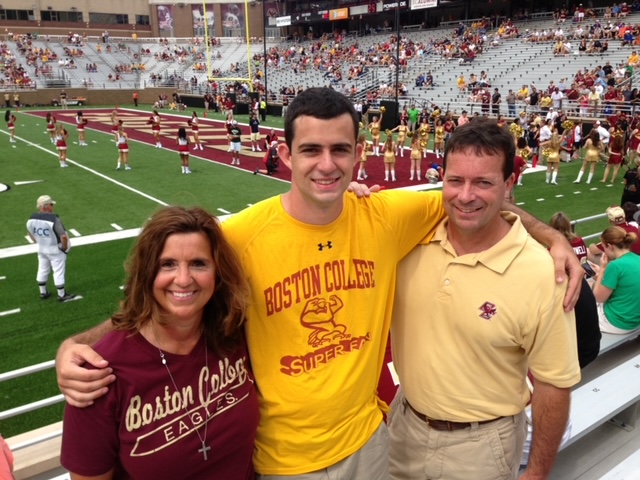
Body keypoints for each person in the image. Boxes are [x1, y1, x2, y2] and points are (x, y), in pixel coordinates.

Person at [55, 88, 582, 479]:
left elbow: (476, 203)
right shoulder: (240, 236)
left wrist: (550, 237)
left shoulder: (388, 214)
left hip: (373, 445)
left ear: (358, 153)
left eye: (340, 150)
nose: (327, 165)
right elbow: (172, 292)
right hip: (283, 459)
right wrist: (77, 345)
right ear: (286, 154)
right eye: (311, 150)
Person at [388, 119, 581, 480]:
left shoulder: (542, 272)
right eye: (455, 180)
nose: (465, 195)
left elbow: (554, 383)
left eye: (483, 182)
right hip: (403, 425)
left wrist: (537, 472)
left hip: (481, 446)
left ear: (509, 184)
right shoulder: (412, 232)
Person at [60, 206, 259, 478]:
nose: (184, 279)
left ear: (217, 272)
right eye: (167, 264)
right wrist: (69, 345)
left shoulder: (234, 331)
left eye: (199, 263)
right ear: (147, 272)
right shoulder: (98, 374)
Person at [26, 195, 75, 302]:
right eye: (51, 204)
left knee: (42, 269)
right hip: (55, 249)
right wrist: (65, 247)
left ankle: (43, 292)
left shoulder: (31, 218)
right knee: (58, 271)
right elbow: (63, 236)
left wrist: (39, 242)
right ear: (46, 206)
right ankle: (61, 294)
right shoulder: (54, 219)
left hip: (42, 249)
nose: (53, 206)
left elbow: (30, 234)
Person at [592, 226, 640, 334]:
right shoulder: (638, 258)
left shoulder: (614, 266)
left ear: (610, 246)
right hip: (635, 321)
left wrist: (602, 269)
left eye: (604, 247)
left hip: (618, 323)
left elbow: (598, 298)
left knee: (583, 304)